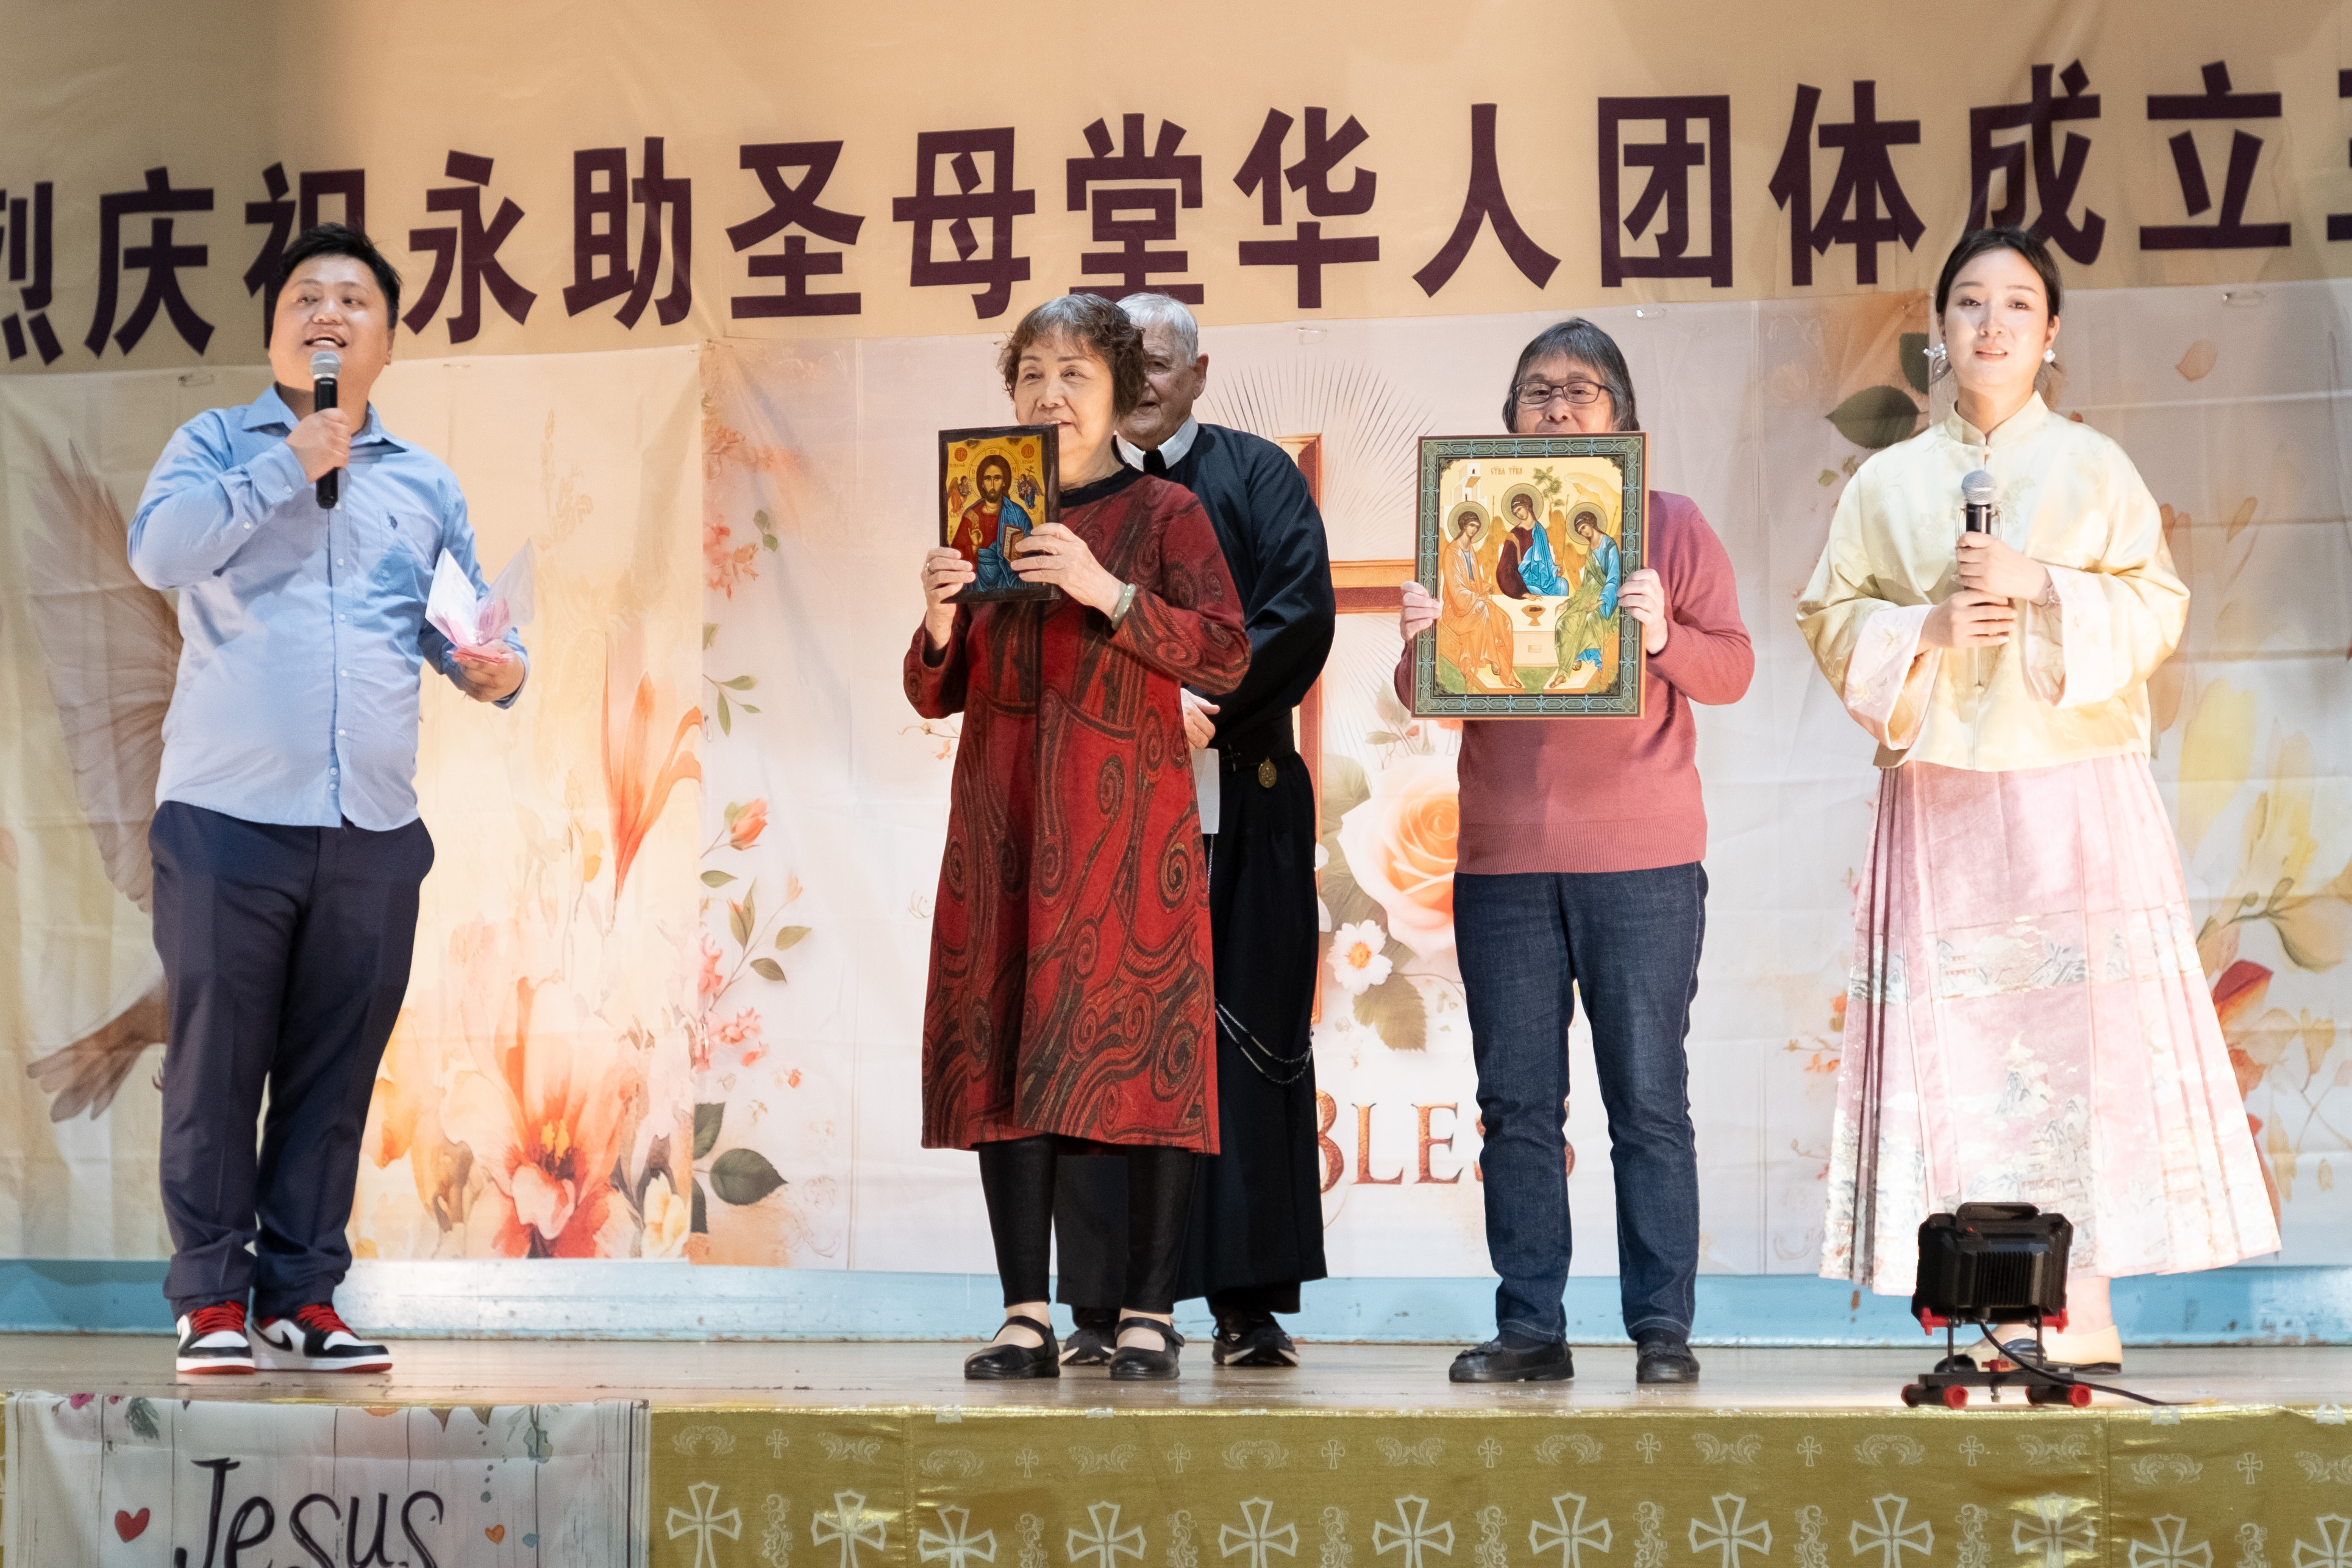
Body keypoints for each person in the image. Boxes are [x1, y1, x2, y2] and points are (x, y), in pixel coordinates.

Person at [1798, 226, 2278, 1372]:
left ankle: (2081, 1299)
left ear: (2050, 333)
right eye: (1969, 301)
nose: (1992, 323)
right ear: (1938, 328)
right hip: (1943, 798)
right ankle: (1979, 1300)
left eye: (2017, 303)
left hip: (2072, 794)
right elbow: (1829, 614)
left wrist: (2044, 586)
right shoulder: (1887, 482)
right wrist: (1924, 627)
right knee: (1961, 1051)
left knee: (2080, 1051)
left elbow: (2153, 607)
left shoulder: (2094, 468)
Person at [127, 224, 528, 1378]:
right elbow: (159, 553)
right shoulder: (215, 444)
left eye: (354, 300)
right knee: (215, 1065)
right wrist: (287, 463)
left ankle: (302, 1296)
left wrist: (498, 669)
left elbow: (462, 624)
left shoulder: (424, 483)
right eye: (306, 297)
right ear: (274, 335)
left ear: (387, 342)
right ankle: (211, 1298)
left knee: (335, 1071)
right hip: (227, 817)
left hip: (372, 829)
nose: (329, 314)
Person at [1396, 319, 1753, 1385]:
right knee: (1514, 1106)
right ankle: (1529, 1330)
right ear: (1507, 418)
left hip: (1641, 859)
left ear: (1622, 416)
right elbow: (1422, 694)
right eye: (1536, 391)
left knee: (1645, 1100)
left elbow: (1731, 669)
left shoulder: (1667, 524)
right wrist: (1421, 640)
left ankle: (1661, 1331)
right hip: (1502, 860)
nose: (1557, 405)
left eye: (1580, 389)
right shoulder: (1465, 520)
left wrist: (1661, 634)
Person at [908, 293, 1250, 1383]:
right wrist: (940, 617)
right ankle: (1025, 1313)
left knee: (1146, 1051)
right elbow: (934, 692)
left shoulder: (1165, 514)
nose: (1048, 395)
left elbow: (1226, 653)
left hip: (1127, 825)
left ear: (1119, 392)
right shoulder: (986, 516)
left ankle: (1149, 1311)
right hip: (1003, 819)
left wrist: (1106, 592)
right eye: (1031, 375)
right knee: (1004, 1044)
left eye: (1074, 375)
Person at [1049, 293, 1336, 1370]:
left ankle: (1247, 1306)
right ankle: (1102, 1306)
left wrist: (1204, 700)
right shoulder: (1064, 495)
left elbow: (1297, 613)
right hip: (1104, 811)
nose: (1141, 380)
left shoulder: (1257, 477)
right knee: (1105, 1048)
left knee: (1250, 1044)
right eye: (1120, 362)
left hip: (1241, 789)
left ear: (1199, 374)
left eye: (1159, 362)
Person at [1438, 505, 1521, 692]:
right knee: (1483, 611)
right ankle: (1496, 661)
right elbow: (1455, 588)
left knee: (1504, 621)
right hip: (1456, 609)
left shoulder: (1470, 550)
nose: (1474, 529)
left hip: (1474, 602)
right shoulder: (1451, 552)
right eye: (1472, 525)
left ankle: (1505, 669)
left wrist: (1485, 586)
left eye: (1477, 526)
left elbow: (1473, 581)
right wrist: (1477, 596)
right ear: (1463, 526)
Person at [1545, 509, 1621, 691]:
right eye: (1580, 531)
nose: (1583, 532)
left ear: (1592, 523)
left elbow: (1614, 578)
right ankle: (1573, 658)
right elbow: (1587, 582)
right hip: (1588, 595)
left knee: (1588, 619)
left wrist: (1600, 602)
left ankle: (1569, 667)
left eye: (1584, 527)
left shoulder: (1609, 545)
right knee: (1563, 622)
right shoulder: (1590, 549)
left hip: (1607, 599)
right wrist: (1569, 603)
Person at [951, 453, 1033, 592]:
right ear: (982, 483)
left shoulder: (1018, 515)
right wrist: (974, 547)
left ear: (1005, 482)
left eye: (997, 478)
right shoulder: (971, 517)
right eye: (988, 479)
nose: (993, 485)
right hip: (977, 586)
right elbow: (956, 559)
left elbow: (1032, 554)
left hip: (1010, 586)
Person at [1497, 490, 1566, 598]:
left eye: (1519, 509)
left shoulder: (1540, 531)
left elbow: (1546, 561)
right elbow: (1505, 569)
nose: (1518, 514)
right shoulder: (1513, 536)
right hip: (1525, 582)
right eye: (1516, 513)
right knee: (1537, 592)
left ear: (1527, 506)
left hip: (1543, 580)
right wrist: (1524, 593)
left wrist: (1554, 571)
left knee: (1563, 585)